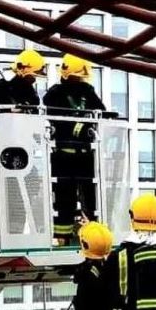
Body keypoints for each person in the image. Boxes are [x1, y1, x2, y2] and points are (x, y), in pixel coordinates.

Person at [43, 54, 106, 244]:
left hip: (86, 155)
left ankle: (94, 235)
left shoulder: (87, 91)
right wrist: (79, 126)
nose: (81, 79)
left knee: (92, 198)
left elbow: (101, 112)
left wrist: (86, 126)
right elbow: (57, 119)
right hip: (63, 156)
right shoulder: (55, 94)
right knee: (64, 200)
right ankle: (63, 237)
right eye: (79, 76)